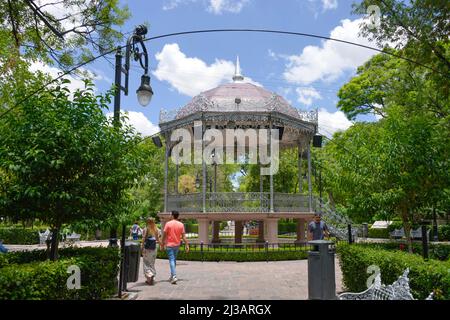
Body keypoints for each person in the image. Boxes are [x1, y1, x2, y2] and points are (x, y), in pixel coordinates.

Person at [161, 211, 189, 284]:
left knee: (171, 260)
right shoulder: (181, 224)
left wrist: (162, 244)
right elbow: (184, 236)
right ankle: (172, 275)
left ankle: (174, 276)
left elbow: (164, 235)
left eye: (170, 214)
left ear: (173, 215)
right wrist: (187, 245)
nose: (170, 215)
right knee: (174, 260)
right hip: (177, 245)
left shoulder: (168, 224)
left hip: (169, 245)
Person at [141, 217, 161, 285]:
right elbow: (158, 239)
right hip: (154, 248)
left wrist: (142, 247)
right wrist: (162, 245)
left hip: (147, 249)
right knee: (152, 263)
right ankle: (151, 278)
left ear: (147, 222)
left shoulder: (146, 229)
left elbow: (143, 238)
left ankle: (149, 275)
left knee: (146, 263)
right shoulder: (156, 229)